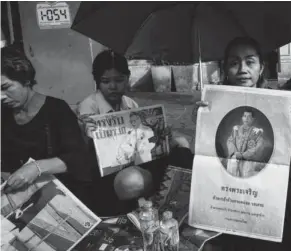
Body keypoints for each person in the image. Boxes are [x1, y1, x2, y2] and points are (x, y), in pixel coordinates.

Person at [196, 36, 291, 250]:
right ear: (225, 69)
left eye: (250, 61)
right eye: (234, 63)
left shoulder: (278, 105)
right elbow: (211, 156)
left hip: (263, 197)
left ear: (261, 67)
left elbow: (287, 159)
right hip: (226, 197)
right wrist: (202, 124)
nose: (242, 69)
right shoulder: (214, 105)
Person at [77, 50, 193, 216]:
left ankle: (174, 197)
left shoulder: (130, 103)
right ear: (97, 81)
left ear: (128, 78)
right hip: (109, 175)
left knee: (181, 143)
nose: (113, 86)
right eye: (106, 81)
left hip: (137, 162)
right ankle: (162, 197)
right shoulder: (89, 106)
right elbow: (84, 155)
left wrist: (161, 136)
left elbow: (143, 143)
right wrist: (85, 133)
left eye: (119, 80)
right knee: (132, 180)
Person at [1, 46, 89, 195]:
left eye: (5, 87)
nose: (1, 97)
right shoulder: (3, 115)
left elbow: (77, 158)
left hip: (62, 193)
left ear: (25, 79)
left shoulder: (56, 109)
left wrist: (36, 167)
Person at [226, 107, 264, 178]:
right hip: (235, 157)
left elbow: (259, 146)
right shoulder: (236, 129)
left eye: (249, 117)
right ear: (242, 118)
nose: (246, 119)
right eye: (244, 116)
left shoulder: (256, 131)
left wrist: (244, 155)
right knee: (231, 177)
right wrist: (234, 153)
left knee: (246, 179)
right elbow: (230, 141)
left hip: (247, 160)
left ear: (253, 119)